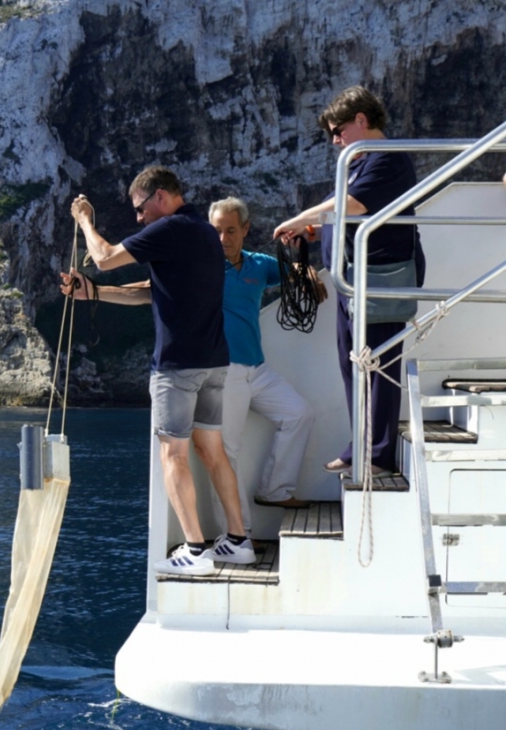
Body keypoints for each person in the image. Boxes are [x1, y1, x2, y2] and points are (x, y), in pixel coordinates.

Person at [64, 166, 255, 576]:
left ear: (162, 197)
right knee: (212, 451)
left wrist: (84, 219)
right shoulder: (204, 232)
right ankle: (238, 542)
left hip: (178, 364)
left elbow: (103, 257)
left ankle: (196, 550)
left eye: (139, 207)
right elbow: (153, 294)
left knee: (174, 454)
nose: (138, 218)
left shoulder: (168, 230)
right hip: (214, 361)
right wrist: (94, 294)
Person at [273, 86, 424, 476]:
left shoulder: (386, 161)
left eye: (338, 130)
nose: (335, 140)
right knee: (353, 363)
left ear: (361, 119)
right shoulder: (358, 161)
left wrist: (297, 218)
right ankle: (362, 446)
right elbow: (349, 215)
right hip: (354, 279)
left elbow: (354, 205)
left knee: (379, 362)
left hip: (381, 279)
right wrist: (313, 231)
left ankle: (379, 454)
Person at [208, 197, 314, 534]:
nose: (223, 238)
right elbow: (155, 288)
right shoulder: (201, 268)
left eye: (230, 230)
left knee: (299, 413)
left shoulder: (258, 264)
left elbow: (289, 270)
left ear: (245, 230)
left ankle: (273, 490)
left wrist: (307, 272)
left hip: (257, 369)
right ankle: (236, 534)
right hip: (224, 372)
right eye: (216, 231)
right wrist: (97, 290)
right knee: (227, 452)